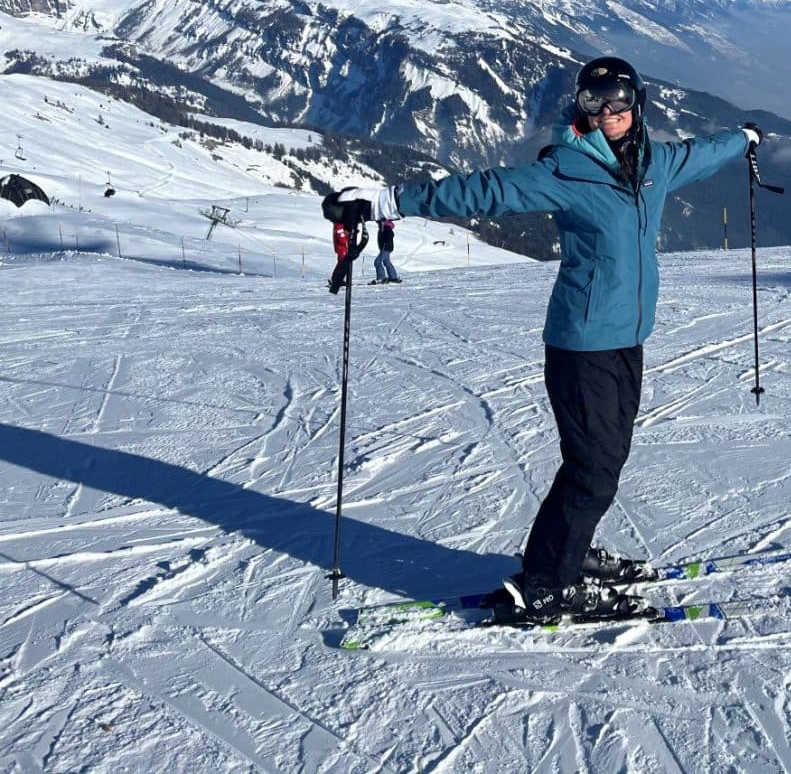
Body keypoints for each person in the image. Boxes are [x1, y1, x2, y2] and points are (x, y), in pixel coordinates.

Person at [323, 55, 764, 619]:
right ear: (579, 107)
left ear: (638, 104)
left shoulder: (654, 162)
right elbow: (483, 191)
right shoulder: (566, 170)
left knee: (604, 459)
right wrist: (389, 201)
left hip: (627, 338)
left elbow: (702, 154)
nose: (608, 112)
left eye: (619, 101)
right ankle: (547, 582)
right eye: (593, 102)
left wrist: (744, 137)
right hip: (582, 344)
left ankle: (566, 555)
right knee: (593, 467)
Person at [327, 220, 369, 295]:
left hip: (343, 247)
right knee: (342, 263)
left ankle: (337, 279)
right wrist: (346, 241)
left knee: (342, 263)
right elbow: (340, 235)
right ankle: (336, 279)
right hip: (342, 247)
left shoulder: (341, 224)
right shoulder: (339, 224)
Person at [372, 218, 401, 285]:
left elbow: (390, 235)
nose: (377, 223)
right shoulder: (384, 227)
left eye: (378, 221)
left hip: (386, 248)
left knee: (377, 262)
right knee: (386, 262)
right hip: (386, 247)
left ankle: (381, 278)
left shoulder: (386, 227)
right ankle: (393, 277)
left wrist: (385, 242)